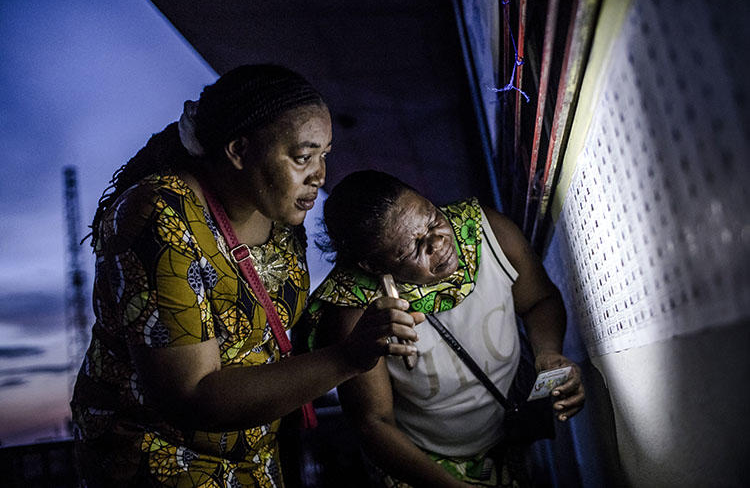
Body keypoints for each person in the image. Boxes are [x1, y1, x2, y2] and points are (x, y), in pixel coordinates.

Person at [70, 66, 421, 487]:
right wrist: (348, 356)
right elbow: (193, 396)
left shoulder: (281, 213)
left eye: (324, 155)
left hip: (256, 456)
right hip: (159, 462)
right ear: (238, 151)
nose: (320, 176)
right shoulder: (159, 215)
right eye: (303, 157)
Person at [303, 170, 585, 487]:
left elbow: (540, 301)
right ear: (374, 266)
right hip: (427, 465)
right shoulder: (359, 315)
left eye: (434, 219)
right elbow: (374, 423)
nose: (438, 242)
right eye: (414, 248)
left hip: (506, 436)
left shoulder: (485, 233)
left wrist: (548, 354)